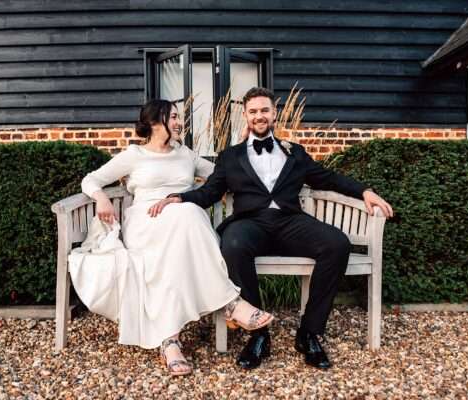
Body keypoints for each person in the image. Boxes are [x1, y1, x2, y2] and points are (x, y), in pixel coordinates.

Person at [151, 87, 394, 370]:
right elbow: (210, 192)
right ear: (245, 116)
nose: (259, 116)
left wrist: (364, 190)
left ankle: (309, 333)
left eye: (264, 110)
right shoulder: (230, 156)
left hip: (291, 222)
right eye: (253, 111)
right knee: (232, 245)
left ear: (274, 113)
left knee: (337, 244)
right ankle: (258, 335)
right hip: (249, 224)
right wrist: (178, 198)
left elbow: (326, 178)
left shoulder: (295, 152)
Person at [80, 99, 273, 376]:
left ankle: (169, 341)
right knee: (189, 215)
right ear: (155, 122)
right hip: (146, 221)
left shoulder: (186, 154)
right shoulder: (135, 155)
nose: (179, 122)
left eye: (178, 117)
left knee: (185, 221)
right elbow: (91, 180)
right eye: (173, 117)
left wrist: (242, 147)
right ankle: (230, 303)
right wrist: (101, 199)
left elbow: (223, 174)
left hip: (182, 221)